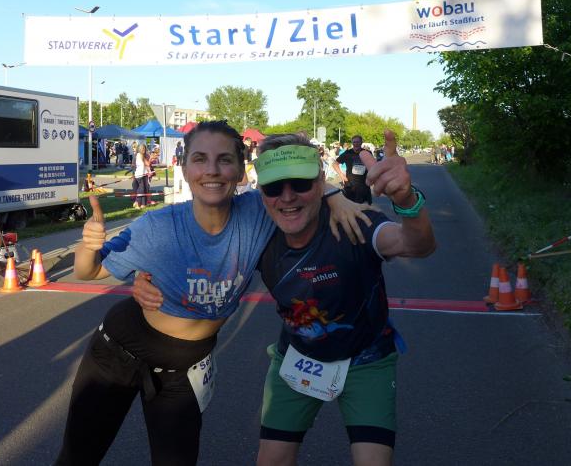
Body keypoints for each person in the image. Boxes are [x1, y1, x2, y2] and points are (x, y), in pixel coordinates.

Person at [57, 121, 372, 466]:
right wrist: (89, 245)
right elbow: (89, 271)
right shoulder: (157, 227)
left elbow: (299, 183)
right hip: (118, 352)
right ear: (184, 168)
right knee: (77, 459)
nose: (212, 170)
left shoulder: (260, 212)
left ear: (240, 170)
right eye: (200, 159)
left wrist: (334, 195)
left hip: (183, 369)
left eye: (224, 159)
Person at [134, 130, 436, 465]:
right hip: (299, 356)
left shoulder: (351, 221)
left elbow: (417, 245)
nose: (287, 197)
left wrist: (407, 201)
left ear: (319, 184)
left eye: (301, 184)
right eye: (274, 188)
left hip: (366, 358)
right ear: (261, 192)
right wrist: (146, 276)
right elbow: (198, 251)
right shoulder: (258, 233)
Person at [333, 135, 374, 205]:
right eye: (354, 142)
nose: (356, 144)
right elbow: (335, 164)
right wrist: (342, 176)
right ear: (352, 143)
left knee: (365, 207)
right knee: (350, 206)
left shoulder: (367, 153)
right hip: (350, 185)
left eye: (358, 142)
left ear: (361, 142)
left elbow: (372, 166)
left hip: (364, 185)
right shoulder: (347, 153)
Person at [132, 143, 150, 209]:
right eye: (142, 149)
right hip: (139, 175)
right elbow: (147, 164)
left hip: (143, 174)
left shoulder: (141, 155)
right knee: (141, 189)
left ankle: (142, 204)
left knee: (143, 189)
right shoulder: (139, 155)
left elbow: (146, 164)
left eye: (144, 149)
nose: (144, 150)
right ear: (140, 149)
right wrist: (151, 158)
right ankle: (137, 202)